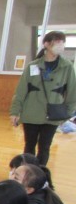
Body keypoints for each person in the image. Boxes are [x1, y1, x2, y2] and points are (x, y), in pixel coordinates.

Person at [10, 30, 76, 166]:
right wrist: (15, 112)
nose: (60, 45)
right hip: (31, 112)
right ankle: (27, 172)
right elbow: (21, 91)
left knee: (45, 147)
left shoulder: (67, 67)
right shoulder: (32, 66)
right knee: (29, 145)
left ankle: (40, 173)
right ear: (46, 44)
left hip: (53, 114)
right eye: (57, 42)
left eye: (62, 42)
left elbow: (72, 92)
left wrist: (68, 114)